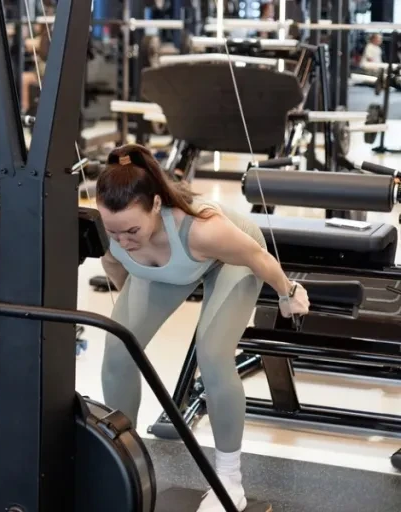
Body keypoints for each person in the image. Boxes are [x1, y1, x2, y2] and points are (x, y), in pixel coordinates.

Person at [95, 145, 310, 512]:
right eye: (115, 233)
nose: (124, 240)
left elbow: (258, 258)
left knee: (212, 354)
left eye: (131, 230)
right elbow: (118, 269)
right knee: (118, 349)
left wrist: (288, 292)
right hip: (173, 267)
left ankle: (229, 480)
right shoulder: (117, 234)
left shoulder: (204, 230)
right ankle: (123, 463)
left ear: (157, 206)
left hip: (233, 261)